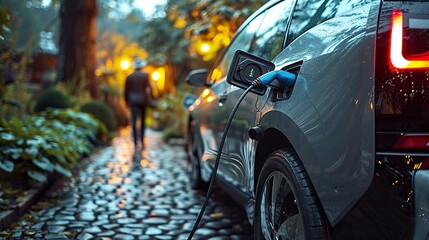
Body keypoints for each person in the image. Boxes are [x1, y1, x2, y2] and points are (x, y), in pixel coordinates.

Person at [124, 59, 154, 151]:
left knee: (134, 121)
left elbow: (126, 91)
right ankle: (141, 139)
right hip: (143, 100)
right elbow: (149, 88)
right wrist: (152, 98)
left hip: (133, 101)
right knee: (142, 121)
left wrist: (126, 101)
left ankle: (135, 141)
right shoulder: (145, 75)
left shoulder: (129, 76)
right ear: (141, 66)